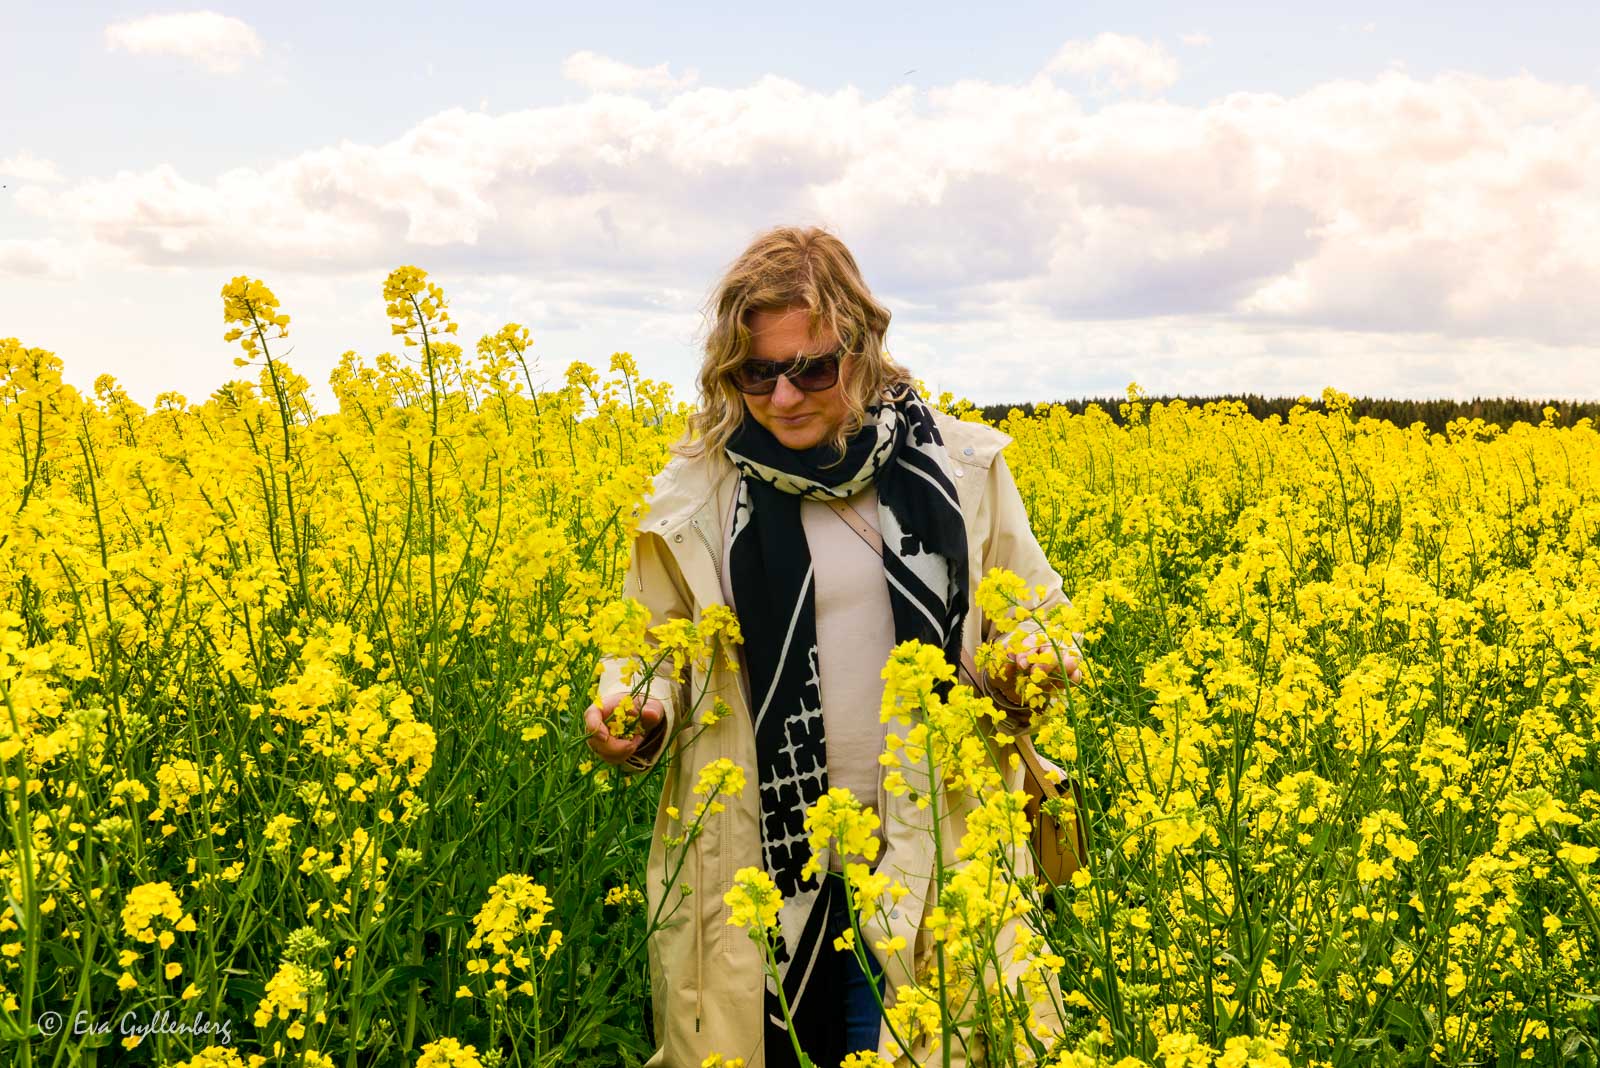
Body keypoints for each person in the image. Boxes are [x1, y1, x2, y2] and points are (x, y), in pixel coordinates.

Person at [584, 225, 1083, 1068]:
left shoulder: (959, 471)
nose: (783, 397)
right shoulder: (695, 493)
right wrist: (637, 713)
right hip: (763, 857)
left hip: (931, 845)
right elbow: (653, 652)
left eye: (811, 367)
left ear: (862, 348)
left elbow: (1038, 613)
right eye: (757, 373)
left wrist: (1030, 661)